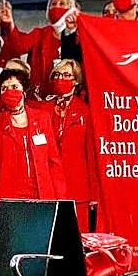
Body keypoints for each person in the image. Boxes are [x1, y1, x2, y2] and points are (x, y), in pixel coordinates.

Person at [0, 68, 66, 199]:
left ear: (24, 91)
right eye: (4, 88)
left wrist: (60, 198)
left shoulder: (42, 118)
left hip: (41, 192)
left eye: (14, 87)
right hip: (8, 195)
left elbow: (53, 161)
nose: (9, 91)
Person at [39, 59, 98, 231]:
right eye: (57, 74)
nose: (60, 79)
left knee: (77, 235)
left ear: (76, 80)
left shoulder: (85, 111)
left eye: (66, 75)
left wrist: (93, 193)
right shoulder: (43, 109)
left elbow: (91, 153)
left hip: (77, 185)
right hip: (49, 183)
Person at [3, 0, 82, 96]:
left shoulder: (79, 37)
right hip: (40, 96)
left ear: (71, 9)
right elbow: (19, 46)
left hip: (69, 97)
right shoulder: (40, 34)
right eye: (53, 4)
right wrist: (10, 24)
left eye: (62, 4)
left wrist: (71, 31)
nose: (56, 7)